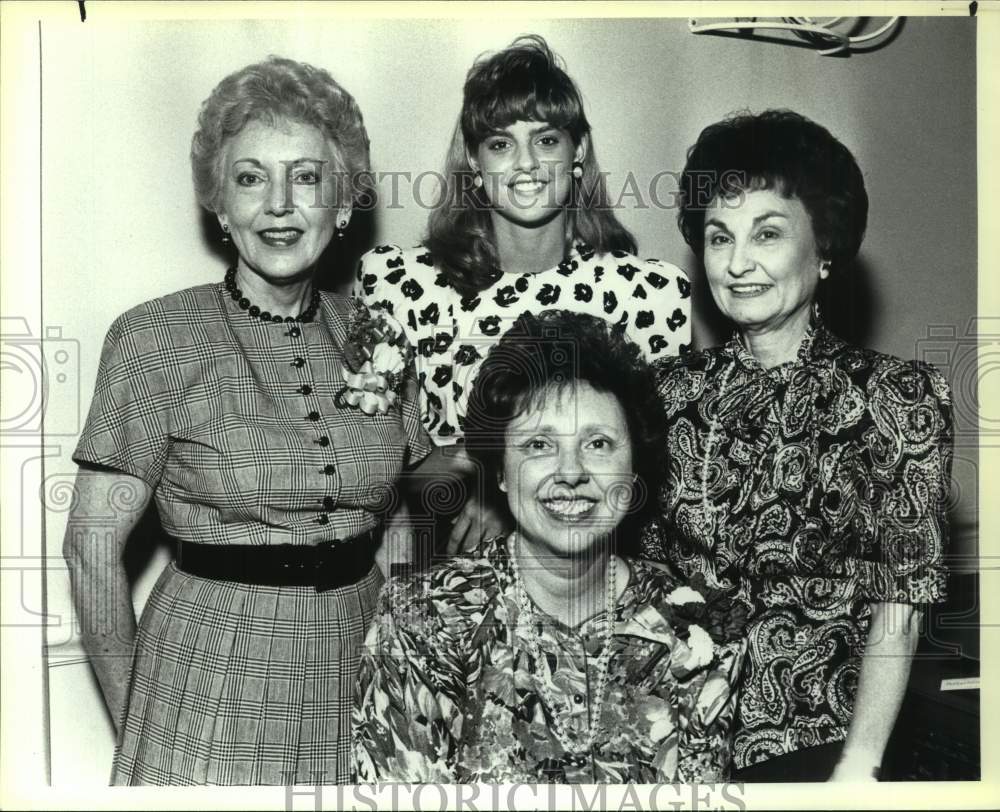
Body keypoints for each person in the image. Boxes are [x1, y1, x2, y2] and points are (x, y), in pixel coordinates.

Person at [62, 56, 431, 786]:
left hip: (357, 664)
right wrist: (141, 714)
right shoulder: (154, 338)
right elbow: (90, 550)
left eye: (306, 177)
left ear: (344, 201)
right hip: (213, 664)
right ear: (221, 208)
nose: (280, 206)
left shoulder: (380, 335)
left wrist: (404, 650)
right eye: (250, 178)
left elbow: (400, 512)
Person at [642, 110, 953, 782]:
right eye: (719, 236)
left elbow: (899, 610)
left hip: (820, 749)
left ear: (826, 248)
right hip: (672, 744)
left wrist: (858, 769)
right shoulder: (666, 392)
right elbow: (637, 578)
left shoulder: (893, 398)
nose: (738, 261)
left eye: (768, 233)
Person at [352, 311, 746, 783]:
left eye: (598, 443)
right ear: (499, 471)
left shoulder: (696, 630)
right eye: (539, 445)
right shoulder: (422, 617)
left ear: (634, 464)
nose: (571, 473)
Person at [353, 35, 691, 554]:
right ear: (474, 160)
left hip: (595, 562)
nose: (527, 164)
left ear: (577, 150)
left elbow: (659, 477)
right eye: (501, 143)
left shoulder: (648, 295)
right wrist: (484, 478)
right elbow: (372, 468)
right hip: (442, 562)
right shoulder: (400, 283)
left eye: (547, 140)